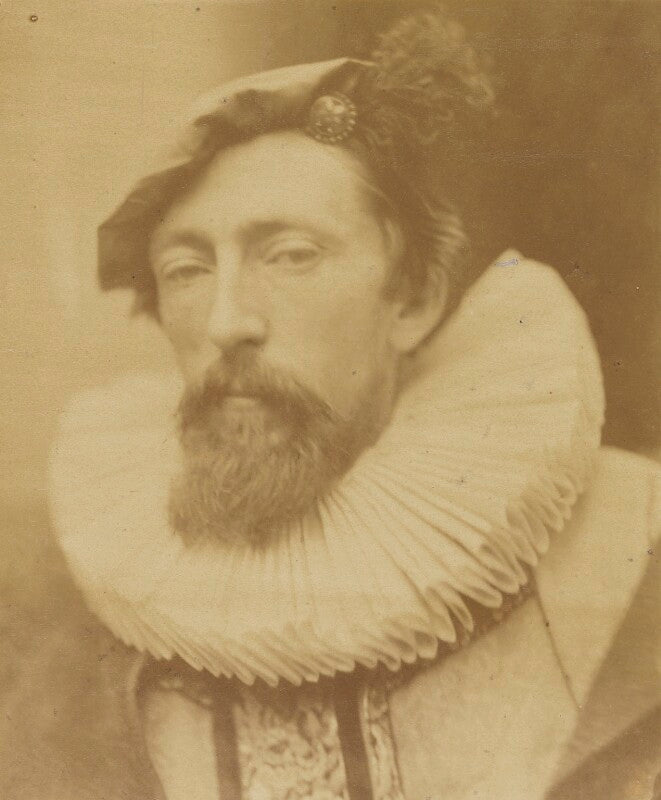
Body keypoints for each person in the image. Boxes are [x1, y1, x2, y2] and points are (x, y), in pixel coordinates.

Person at [3, 8, 659, 800]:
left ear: (412, 297)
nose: (226, 322)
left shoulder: (634, 545)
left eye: (291, 256)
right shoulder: (53, 599)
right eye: (187, 270)